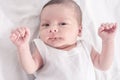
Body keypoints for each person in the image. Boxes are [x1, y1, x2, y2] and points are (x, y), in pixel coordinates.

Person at [10, 0, 117, 80]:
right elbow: (30, 68)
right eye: (46, 25)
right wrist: (22, 47)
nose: (52, 29)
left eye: (63, 24)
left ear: (79, 31)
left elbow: (103, 65)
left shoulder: (85, 47)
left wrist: (108, 41)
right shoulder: (43, 49)